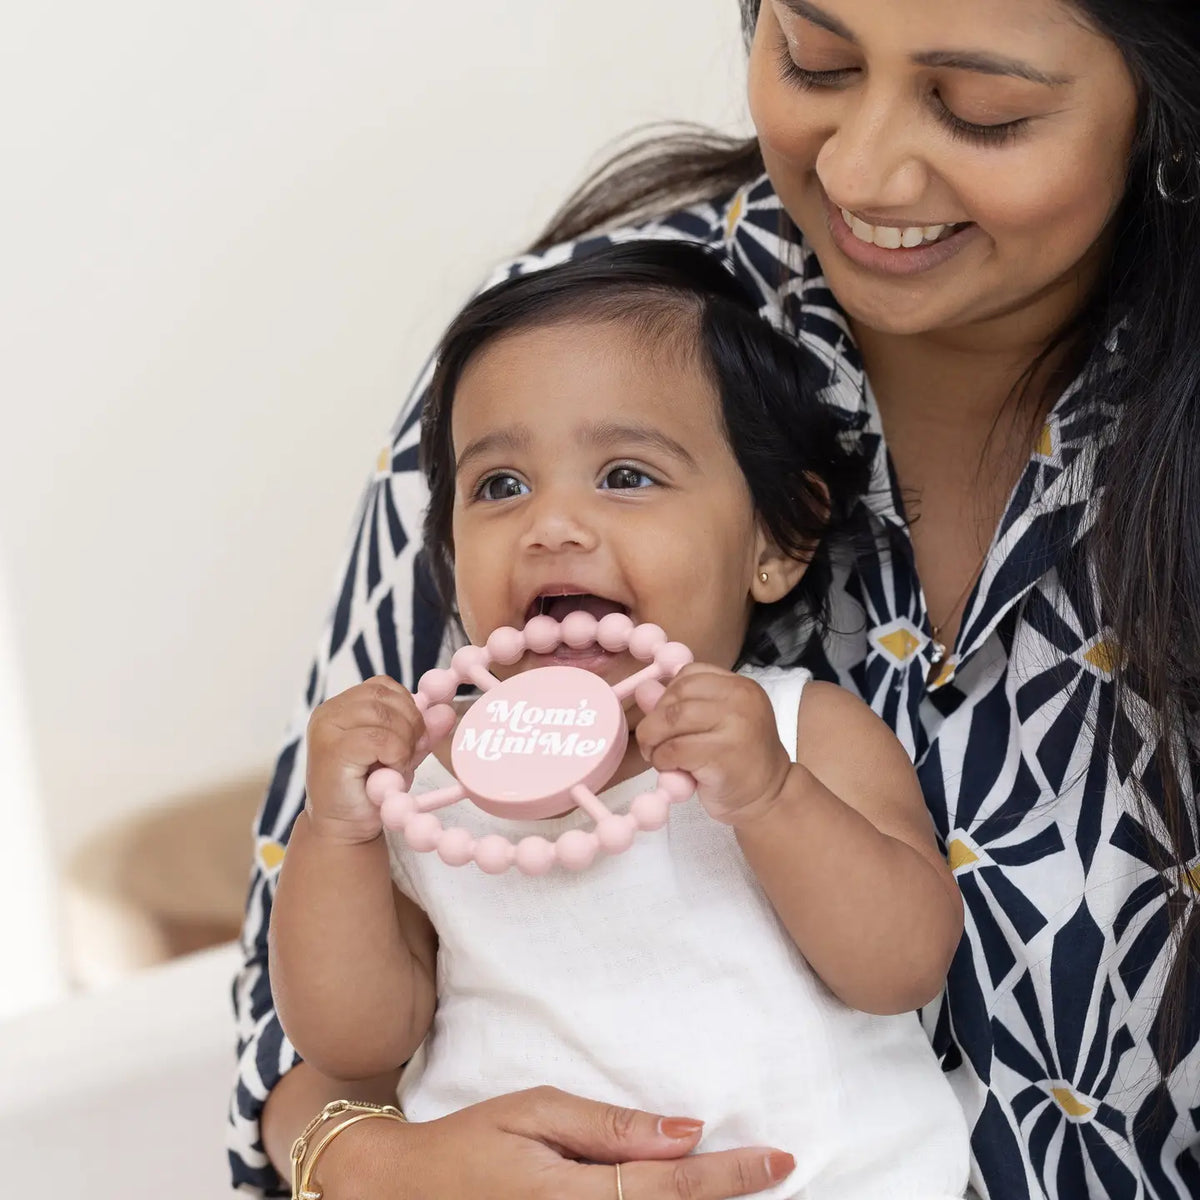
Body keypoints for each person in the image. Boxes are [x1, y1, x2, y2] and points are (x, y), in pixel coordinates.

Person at [229, 2, 1200, 1198]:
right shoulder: (556, 346)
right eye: (815, 60)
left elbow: (902, 956)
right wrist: (337, 855)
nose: (860, 166)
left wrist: (771, 797)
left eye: (980, 109)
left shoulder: (782, 734)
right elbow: (330, 1043)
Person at [268, 240, 970, 1200]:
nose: (551, 524)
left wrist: (771, 797)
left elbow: (902, 965)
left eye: (627, 476)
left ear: (777, 540)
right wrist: (335, 831)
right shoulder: (432, 781)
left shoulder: (801, 729)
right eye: (499, 486)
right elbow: (356, 1040)